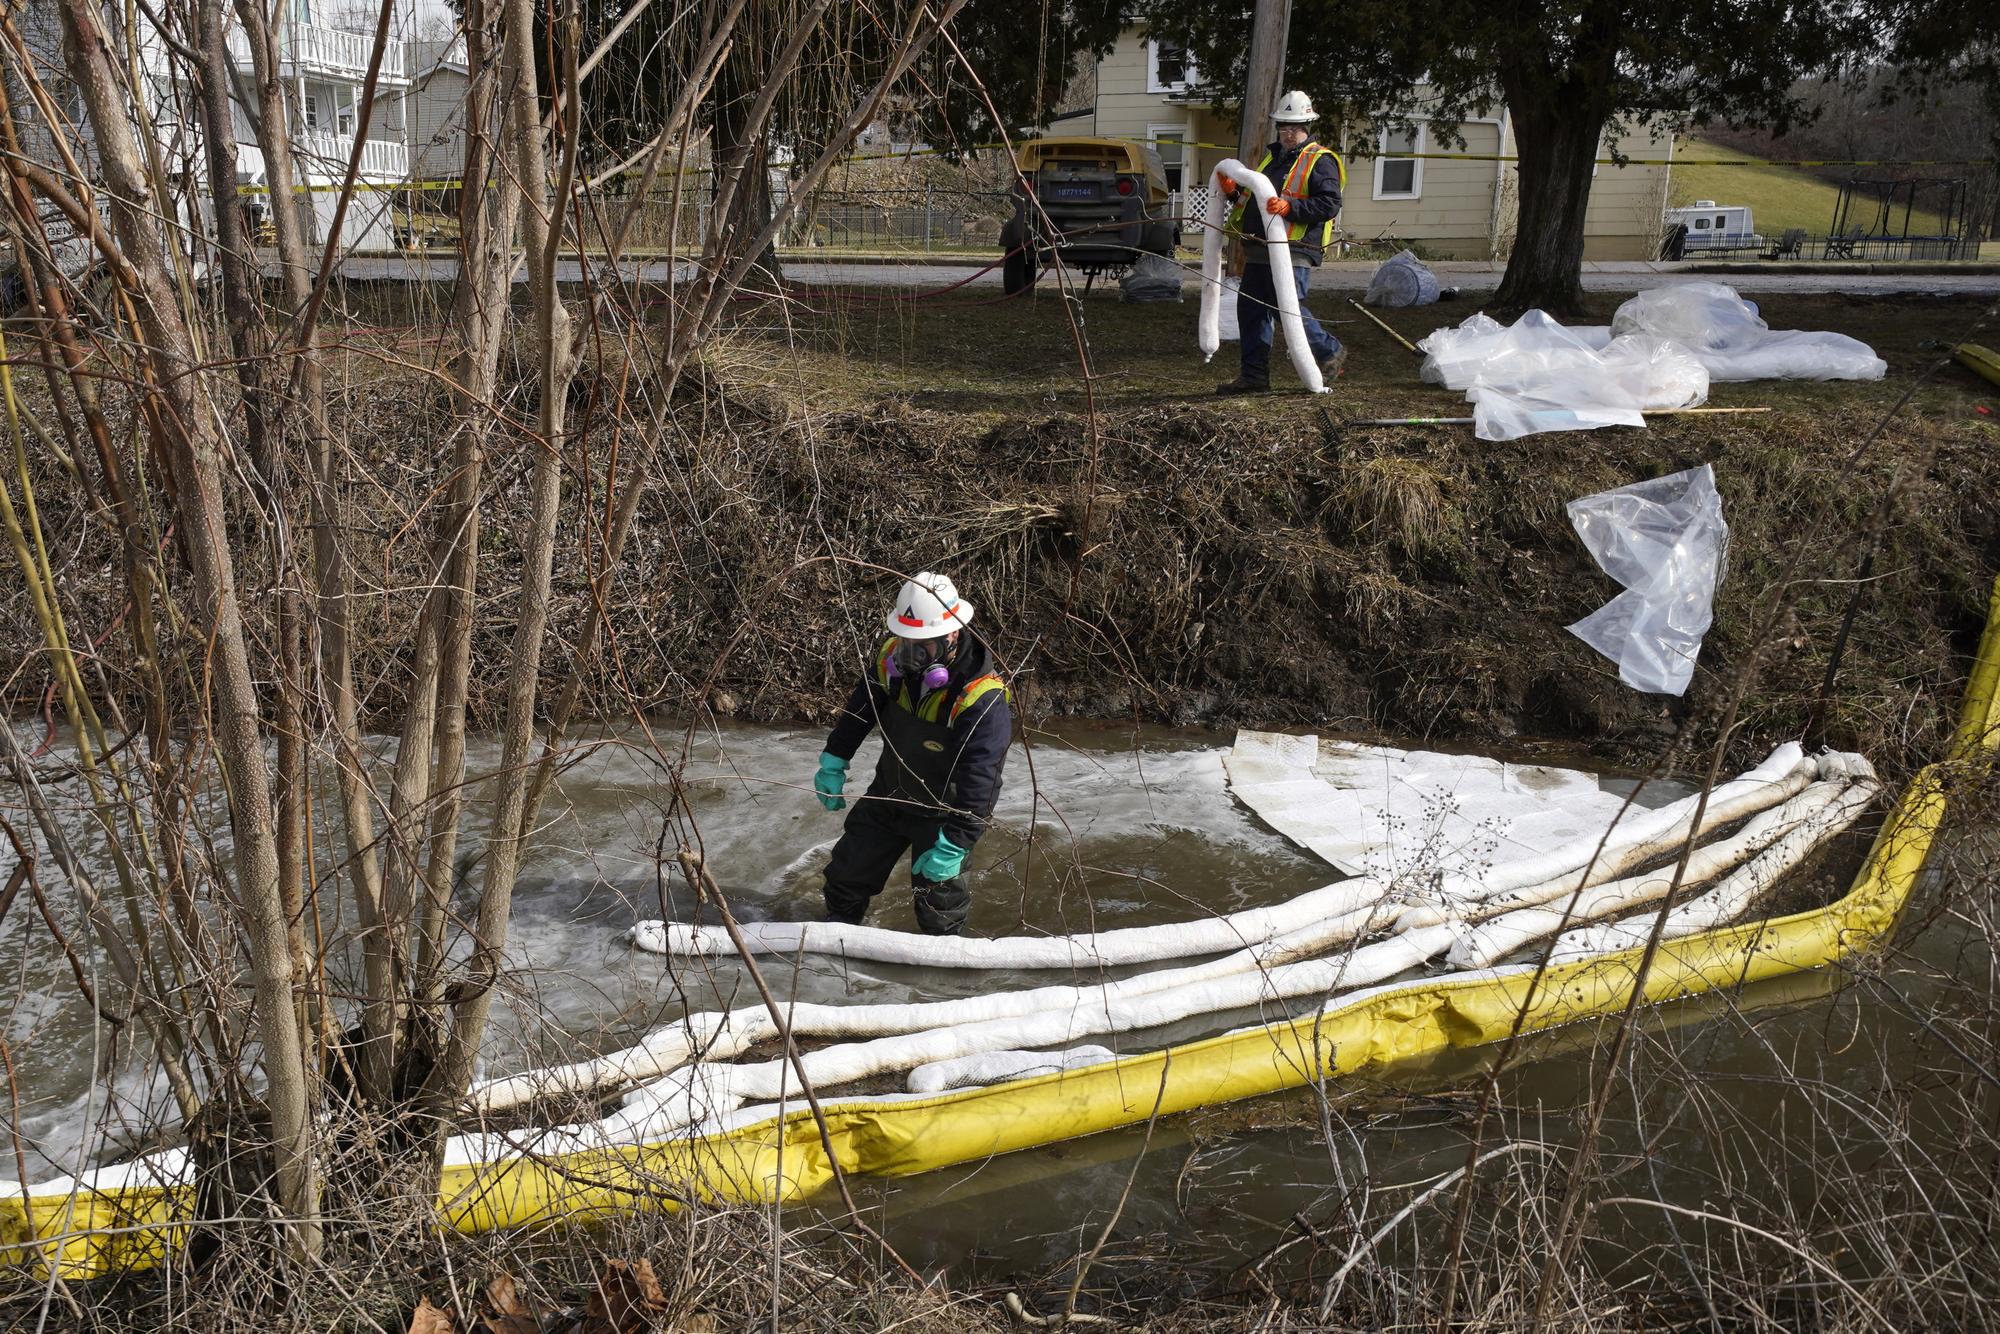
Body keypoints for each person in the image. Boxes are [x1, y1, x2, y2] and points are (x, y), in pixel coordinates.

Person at [812, 572, 1011, 935]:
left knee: (939, 912)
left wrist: (957, 841)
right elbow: (859, 713)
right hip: (889, 794)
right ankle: (835, 954)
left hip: (941, 814)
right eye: (905, 639)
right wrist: (834, 760)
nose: (910, 651)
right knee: (844, 880)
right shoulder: (892, 663)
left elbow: (982, 779)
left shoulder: (981, 697)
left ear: (952, 635)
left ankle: (939, 984)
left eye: (923, 643)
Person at [1216, 90, 1346, 395]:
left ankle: (1329, 352)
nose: (1288, 133)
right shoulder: (1272, 160)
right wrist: (1234, 193)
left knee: (1285, 308)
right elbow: (1254, 202)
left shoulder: (1319, 160)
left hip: (1294, 248)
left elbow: (1329, 204)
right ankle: (1254, 376)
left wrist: (1291, 208)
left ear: (1307, 126)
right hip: (1261, 249)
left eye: (1294, 127)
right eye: (1283, 127)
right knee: (1252, 311)